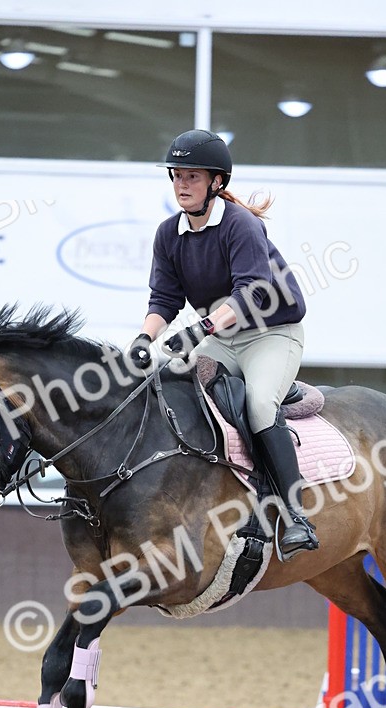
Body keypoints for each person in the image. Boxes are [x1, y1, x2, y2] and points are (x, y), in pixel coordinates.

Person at [128, 128, 318, 557]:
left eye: (192, 177)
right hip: (223, 337)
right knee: (171, 387)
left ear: (217, 182)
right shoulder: (168, 234)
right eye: (177, 176)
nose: (182, 185)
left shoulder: (240, 225)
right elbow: (164, 299)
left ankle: (293, 515)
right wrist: (145, 337)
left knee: (258, 405)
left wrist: (201, 330)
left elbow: (252, 291)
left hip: (273, 334)